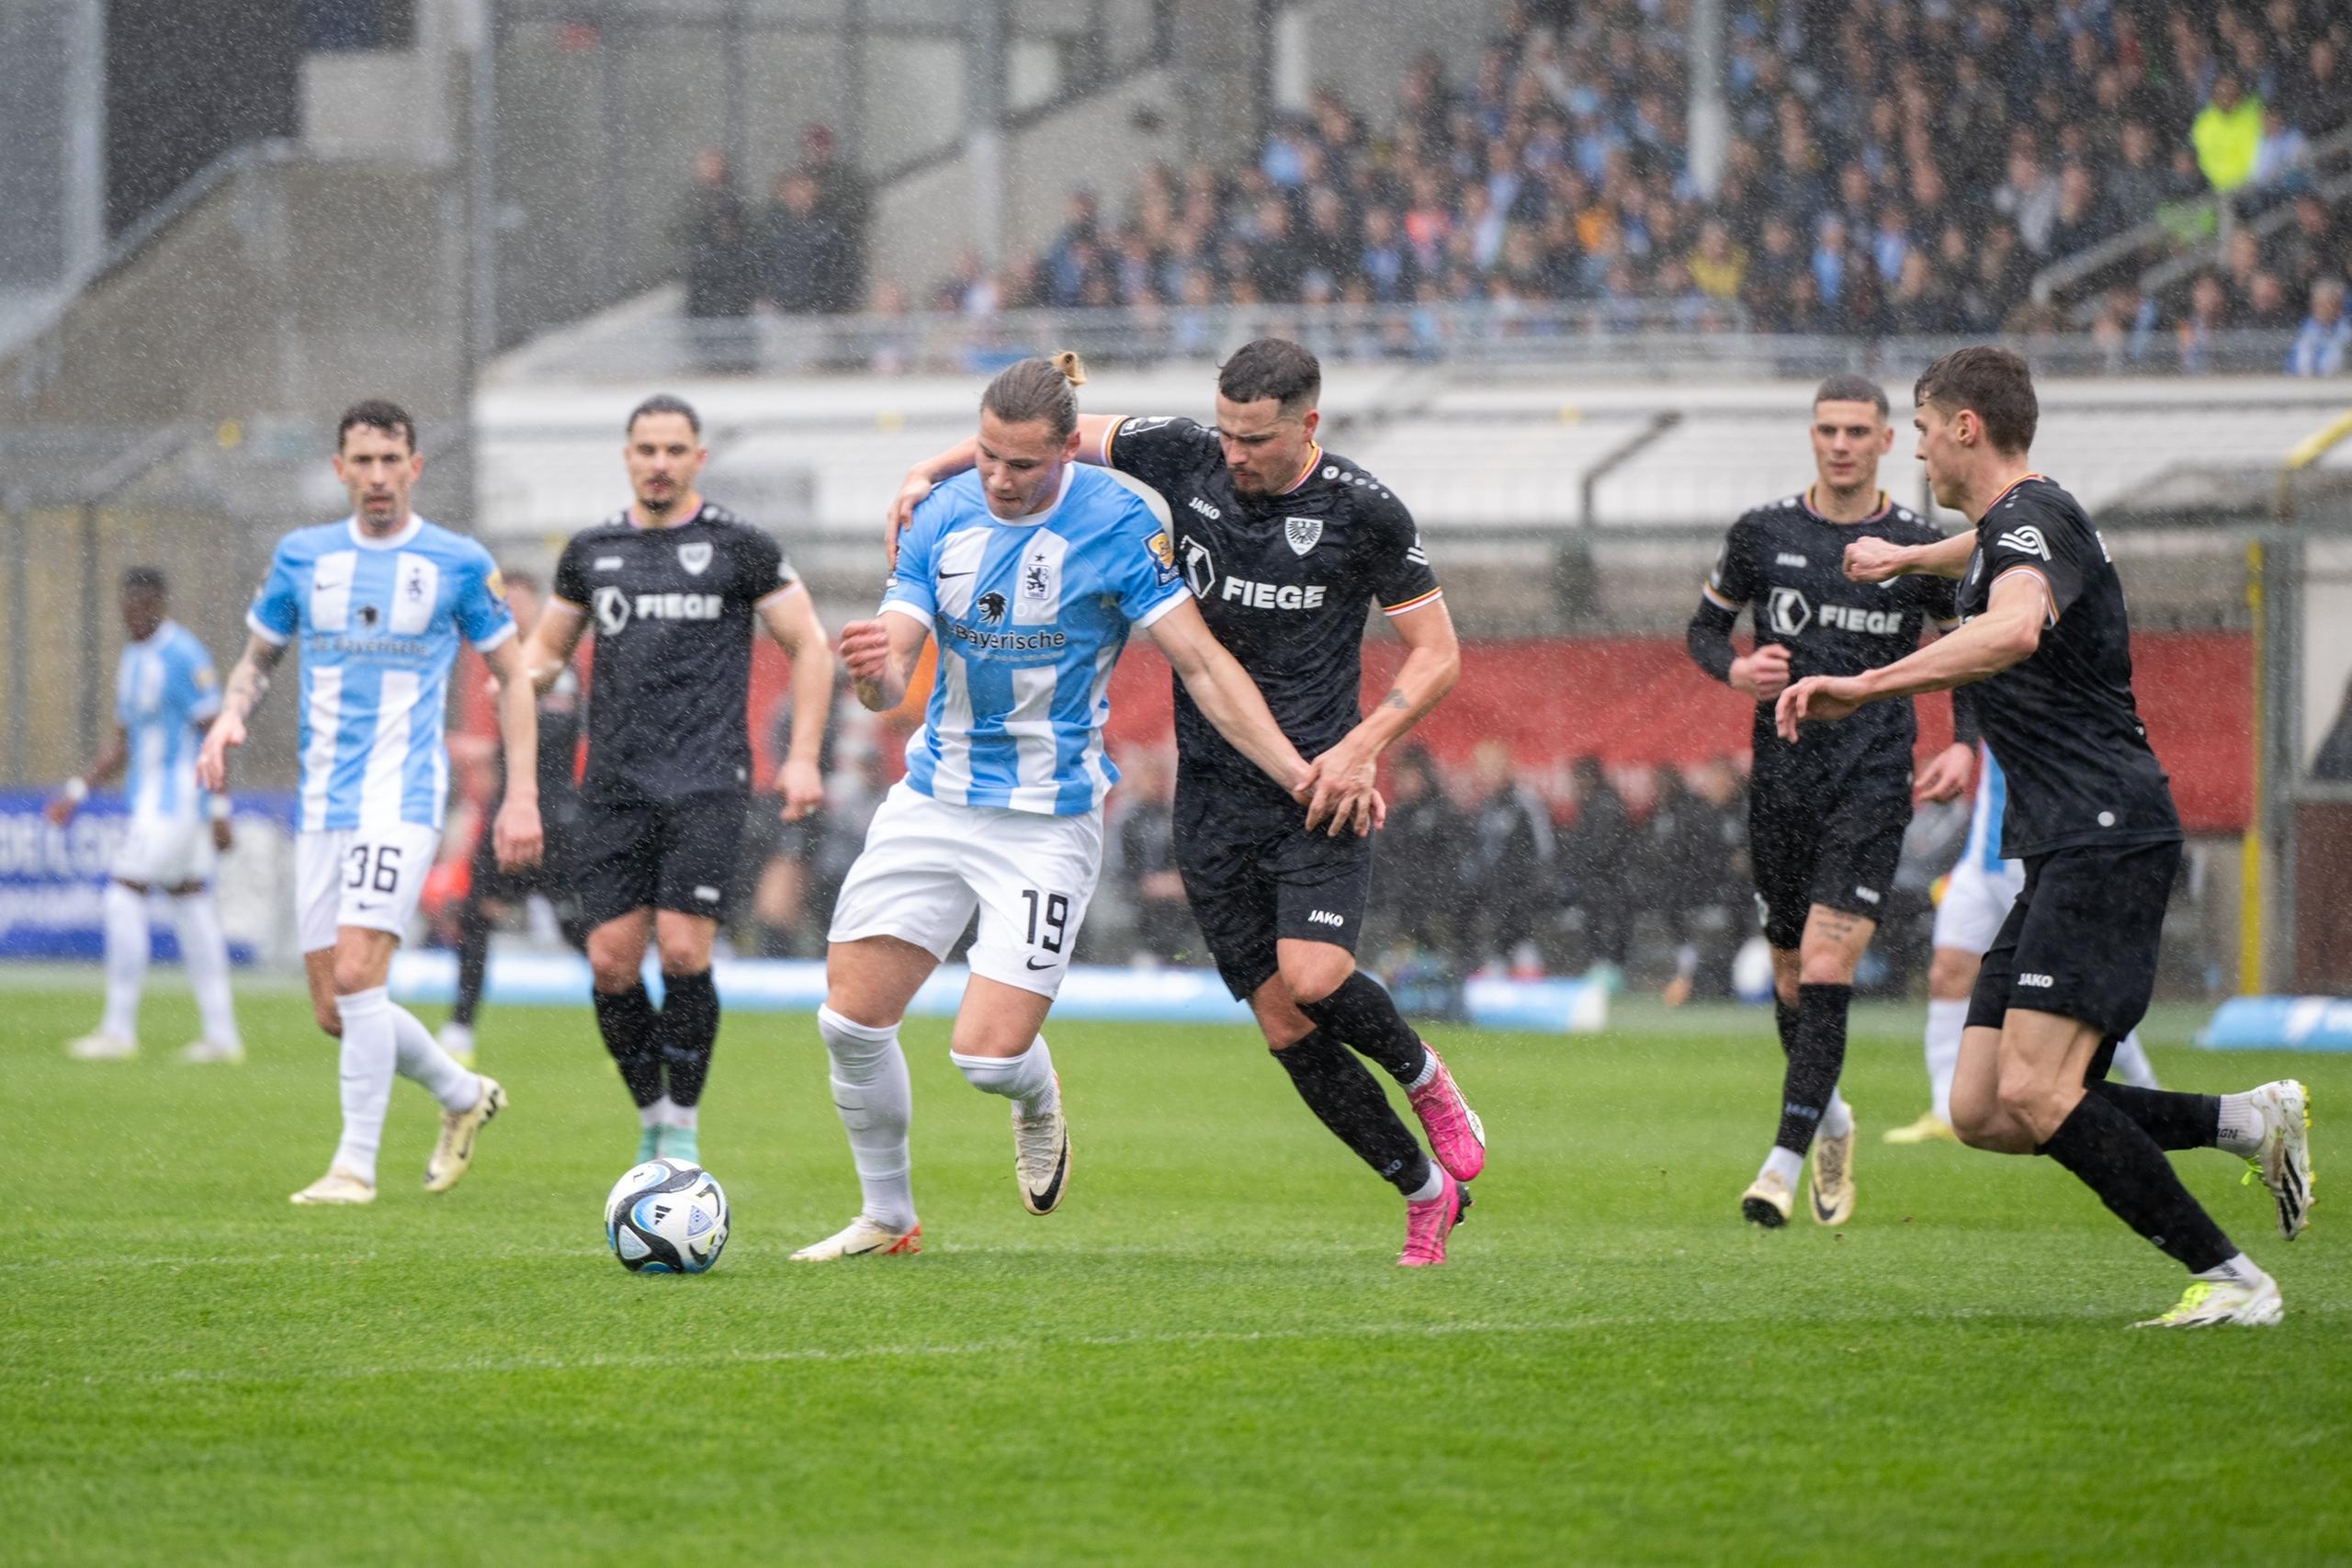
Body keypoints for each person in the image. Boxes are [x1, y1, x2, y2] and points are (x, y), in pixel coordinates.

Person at [885, 338, 1486, 1268]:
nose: (1233, 453)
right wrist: (929, 470)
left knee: (1317, 977)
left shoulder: (1362, 511)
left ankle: (1426, 1077)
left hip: (1319, 786)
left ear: (1307, 426)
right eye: (1226, 430)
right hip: (1210, 795)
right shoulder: (1182, 453)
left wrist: (1360, 750)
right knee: (1285, 1022)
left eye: (1255, 437)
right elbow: (1055, 434)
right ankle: (1422, 1191)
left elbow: (1438, 653)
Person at [794, 352, 1368, 1262]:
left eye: (1023, 463)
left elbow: (1206, 667)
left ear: (1070, 449)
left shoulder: (1119, 520)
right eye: (986, 456)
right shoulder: (937, 515)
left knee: (984, 1059)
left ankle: (1035, 1097)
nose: (1000, 478)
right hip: (933, 801)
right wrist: (871, 677)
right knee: (849, 1023)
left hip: (1044, 820)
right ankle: (888, 1217)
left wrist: (1298, 772)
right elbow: (892, 667)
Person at [1783, 344, 2312, 1328]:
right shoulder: (2021, 521)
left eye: (1928, 431)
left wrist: (1864, 685)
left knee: (2038, 1086)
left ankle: (2235, 1280)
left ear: (1966, 430)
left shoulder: (2029, 521)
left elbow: (2014, 625)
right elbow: (1986, 559)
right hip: (2064, 842)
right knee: (1985, 1108)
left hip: (2105, 834)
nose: (1923, 456)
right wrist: (1908, 557)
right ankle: (2246, 1121)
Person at [198, 400, 539, 1206]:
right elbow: (257, 660)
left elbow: (514, 675)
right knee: (335, 1008)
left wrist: (519, 793)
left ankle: (353, 1167)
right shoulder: (301, 557)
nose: (379, 477)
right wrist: (230, 714)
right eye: (364, 461)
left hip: (403, 797)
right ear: (340, 469)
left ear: (415, 468)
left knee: (358, 974)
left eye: (393, 460)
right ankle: (460, 1092)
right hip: (323, 803)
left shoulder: (456, 562)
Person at [1685, 375, 1979, 1231]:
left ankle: (1781, 1162)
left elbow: (1967, 649)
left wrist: (1961, 740)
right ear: (1811, 437)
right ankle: (1832, 1117)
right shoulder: (1762, 533)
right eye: (1828, 429)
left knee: (1824, 965)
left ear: (1889, 441)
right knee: (1786, 972)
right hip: (1780, 778)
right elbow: (1704, 629)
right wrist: (1736, 669)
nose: (1841, 443)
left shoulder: (1918, 547)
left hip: (1875, 778)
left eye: (1858, 429)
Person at [521, 394, 833, 1166]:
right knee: (610, 961)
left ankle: (683, 1129)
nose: (658, 462)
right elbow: (538, 664)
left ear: (698, 457)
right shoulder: (590, 553)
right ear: (627, 457)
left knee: (685, 952)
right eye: (645, 449)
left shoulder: (740, 546)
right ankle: (652, 1109)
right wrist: (504, 679)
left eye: (673, 449)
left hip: (707, 781)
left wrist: (800, 757)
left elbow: (812, 647)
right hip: (616, 785)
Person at [1886, 740, 2161, 1145]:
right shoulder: (1990, 688)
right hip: (1981, 864)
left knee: (2078, 985)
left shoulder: (2050, 699)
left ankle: (2147, 1086)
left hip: (2038, 857)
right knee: (1947, 973)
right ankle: (1944, 1109)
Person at [51, 568, 242, 1064]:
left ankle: (118, 1031)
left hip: (178, 800)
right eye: (124, 605)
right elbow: (123, 741)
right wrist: (76, 791)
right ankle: (222, 1037)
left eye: (138, 605)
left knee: (121, 895)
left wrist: (220, 808)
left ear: (158, 602)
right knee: (189, 899)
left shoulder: (184, 654)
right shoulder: (132, 658)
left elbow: (214, 732)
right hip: (152, 799)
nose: (129, 614)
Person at [436, 570, 585, 1067]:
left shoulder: (559, 667)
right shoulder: (496, 664)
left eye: (521, 602)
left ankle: (630, 1016)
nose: (513, 611)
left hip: (557, 816)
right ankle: (459, 1026)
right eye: (506, 602)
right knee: (477, 915)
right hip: (506, 815)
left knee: (576, 926)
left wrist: (490, 750)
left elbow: (553, 735)